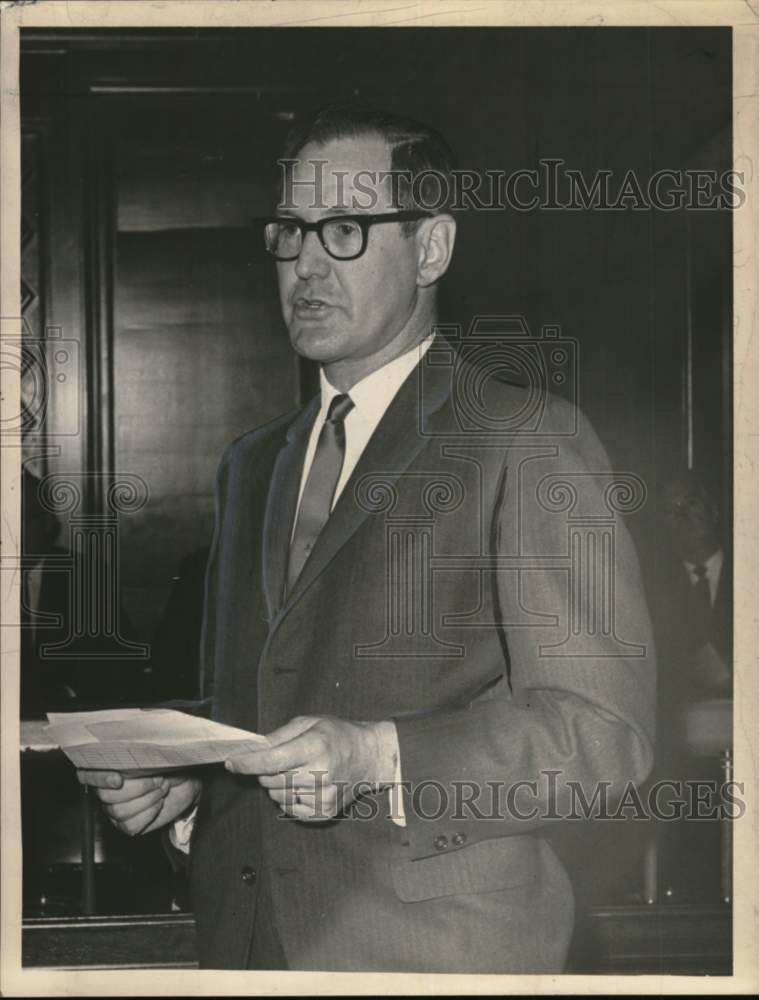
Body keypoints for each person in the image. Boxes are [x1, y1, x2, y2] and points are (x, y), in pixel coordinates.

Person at [77, 105, 656, 972]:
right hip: (249, 951)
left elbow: (604, 738)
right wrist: (188, 789)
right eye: (289, 231)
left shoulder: (521, 438)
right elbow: (264, 710)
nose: (304, 264)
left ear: (430, 249)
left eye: (344, 229)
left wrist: (377, 755)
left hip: (437, 959)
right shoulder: (253, 463)